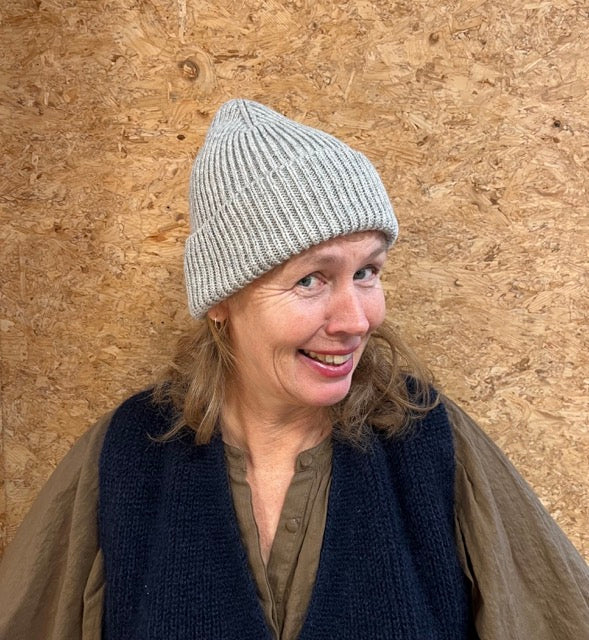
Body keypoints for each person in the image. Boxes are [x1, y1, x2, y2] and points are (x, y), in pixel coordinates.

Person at [0, 99, 587, 640]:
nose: (356, 320)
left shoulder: (430, 443)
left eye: (367, 272)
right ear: (222, 300)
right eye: (310, 279)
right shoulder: (127, 455)